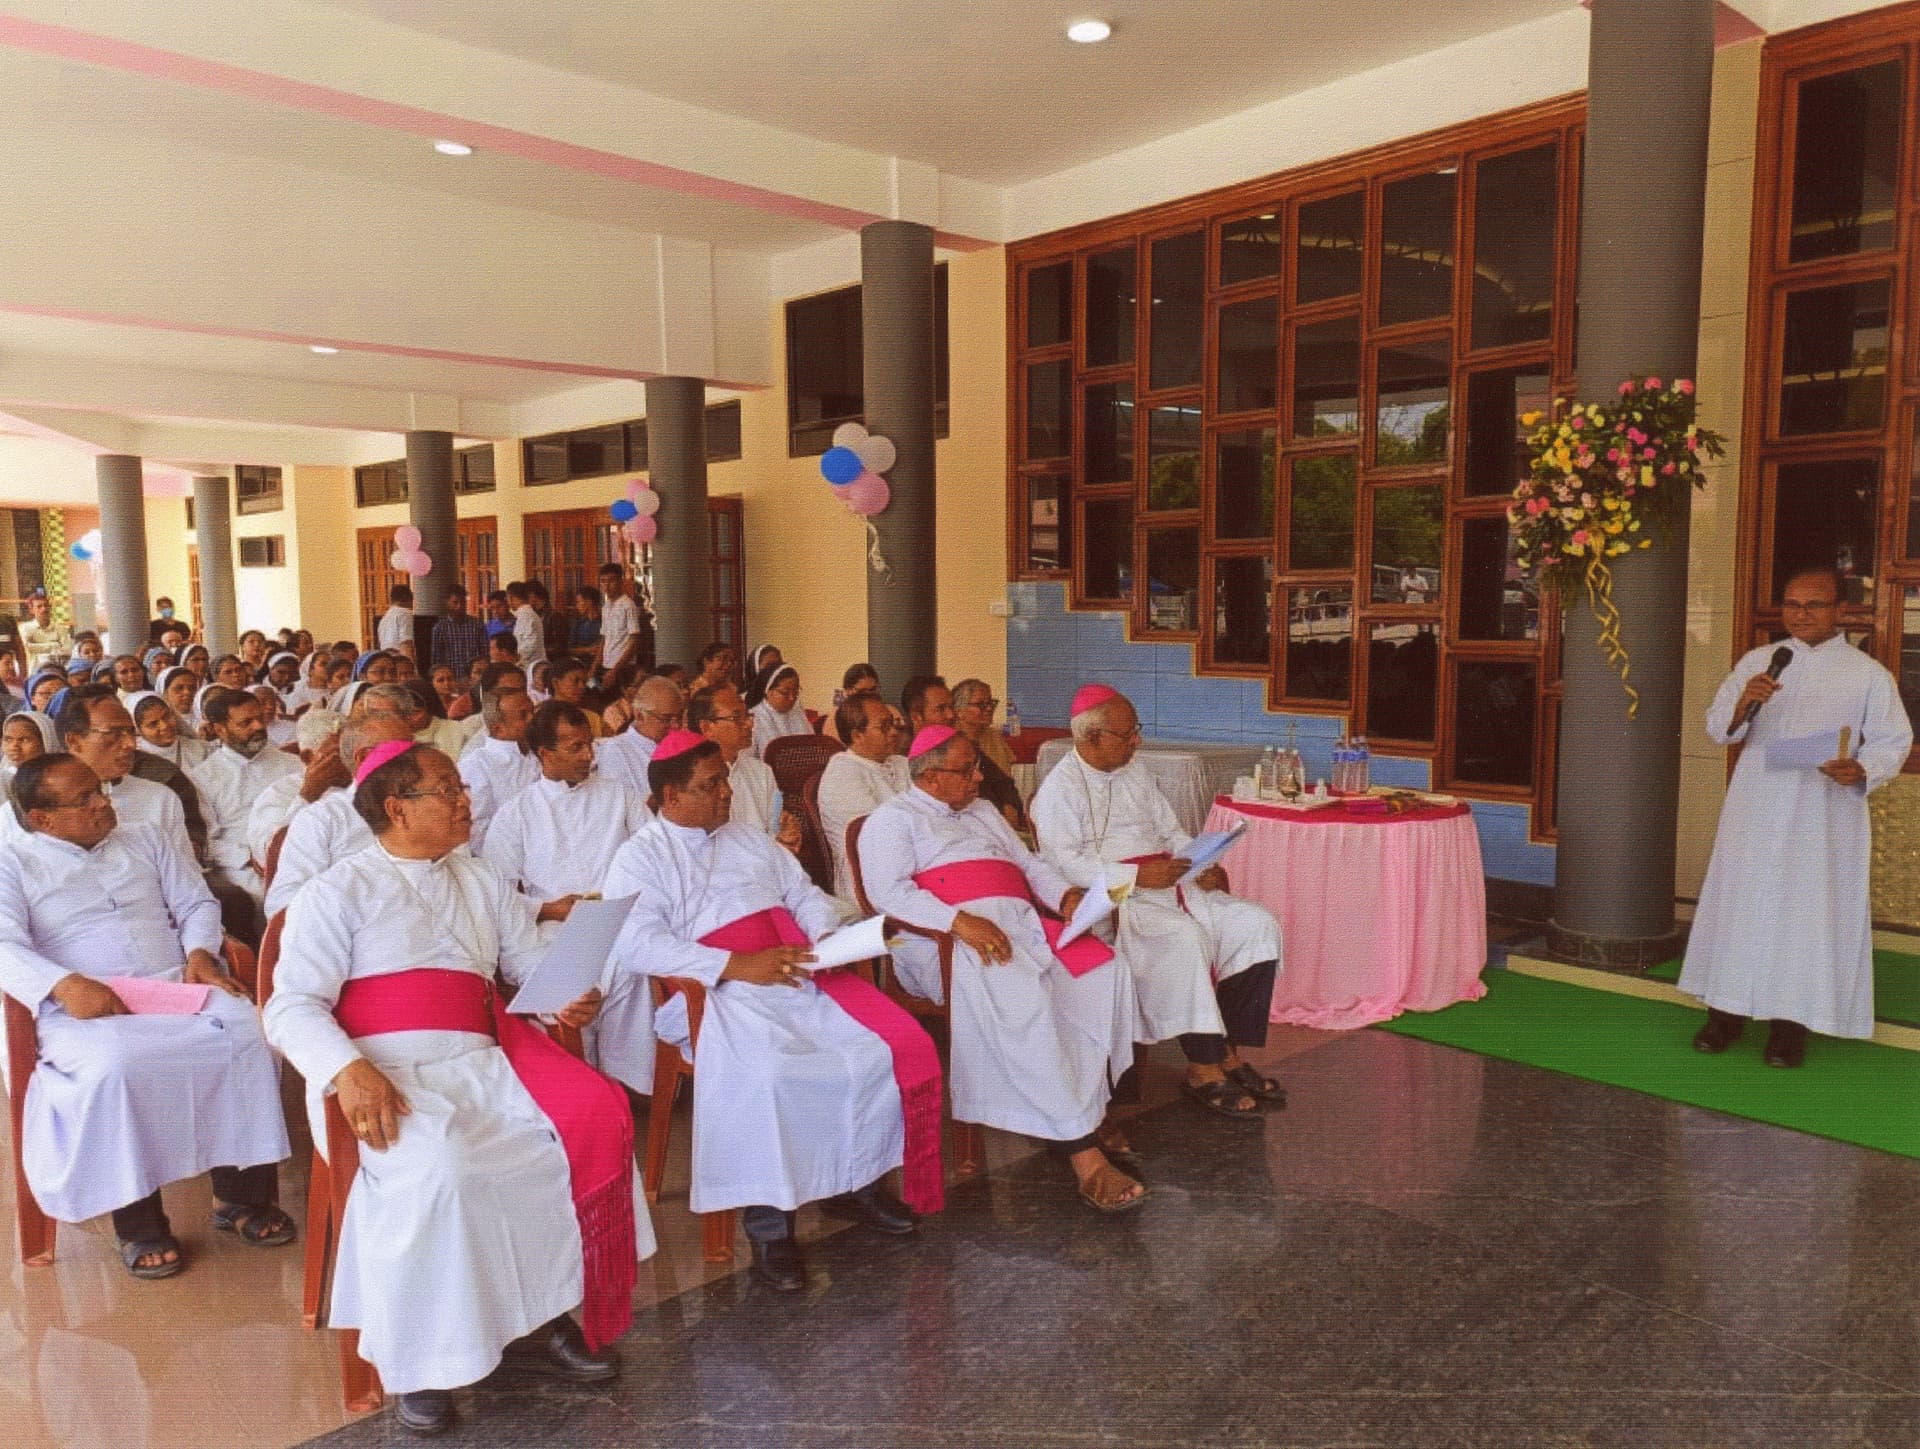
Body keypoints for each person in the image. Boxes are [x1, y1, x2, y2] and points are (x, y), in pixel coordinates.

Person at [263, 742, 649, 1436]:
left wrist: (565, 996)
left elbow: (526, 963)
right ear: (397, 808)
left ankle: (544, 1315)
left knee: (558, 1142)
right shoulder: (335, 890)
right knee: (443, 1170)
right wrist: (348, 1070)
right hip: (385, 1074)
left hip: (483, 1064)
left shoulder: (480, 878)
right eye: (448, 789)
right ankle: (424, 1363)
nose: (466, 800)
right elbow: (289, 1005)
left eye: (462, 787)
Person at [604, 732, 940, 1290]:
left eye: (725, 779)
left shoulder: (748, 838)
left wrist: (826, 935)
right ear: (671, 797)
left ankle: (855, 1187)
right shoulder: (640, 856)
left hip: (797, 973)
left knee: (871, 1052)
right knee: (771, 1075)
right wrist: (735, 965)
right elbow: (636, 943)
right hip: (724, 992)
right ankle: (769, 1228)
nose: (726, 792)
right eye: (711, 785)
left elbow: (803, 894)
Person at [0, 755, 292, 1280]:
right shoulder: (11, 860)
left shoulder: (146, 836)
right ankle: (140, 1225)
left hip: (174, 984)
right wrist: (62, 984)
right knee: (117, 1068)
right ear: (42, 818)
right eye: (85, 799)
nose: (103, 803)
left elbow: (197, 903)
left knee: (249, 1036)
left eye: (100, 790)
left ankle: (240, 1197)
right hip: (84, 1005)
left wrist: (201, 952)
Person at [858, 727, 1145, 1213]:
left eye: (977, 768)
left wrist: (1064, 897)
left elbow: (1029, 866)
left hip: (1023, 925)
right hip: (947, 942)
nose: (978, 777)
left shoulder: (984, 811)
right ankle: (1084, 1155)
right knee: (1022, 995)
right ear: (930, 777)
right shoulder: (892, 819)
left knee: (1103, 972)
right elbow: (888, 893)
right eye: (966, 770)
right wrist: (958, 921)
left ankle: (1086, 1108)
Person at [1680, 566, 1913, 1068]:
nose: (1800, 614)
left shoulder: (1867, 674)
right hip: (1756, 806)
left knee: (1806, 914)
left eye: (1813, 605)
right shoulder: (1759, 662)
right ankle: (1725, 1014)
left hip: (1821, 812)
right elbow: (1719, 730)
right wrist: (1744, 703)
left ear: (1840, 610)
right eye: (1791, 604)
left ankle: (1790, 1026)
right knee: (1743, 905)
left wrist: (1862, 769)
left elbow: (1893, 740)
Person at [1030, 685, 1284, 1118]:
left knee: (1257, 924)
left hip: (1172, 883)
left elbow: (1170, 832)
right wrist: (1135, 877)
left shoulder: (1135, 771)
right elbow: (1063, 864)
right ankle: (1202, 1067)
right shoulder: (1058, 791)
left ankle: (1227, 1052)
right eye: (1126, 734)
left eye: (1137, 730)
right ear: (1091, 737)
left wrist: (1200, 862)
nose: (1137, 741)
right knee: (1181, 937)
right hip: (1121, 900)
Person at [481, 701, 653, 1091]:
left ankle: (625, 1083)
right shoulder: (517, 812)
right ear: (545, 754)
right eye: (575, 747)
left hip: (616, 920)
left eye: (590, 744)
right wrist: (549, 908)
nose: (589, 755)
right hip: (549, 929)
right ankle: (583, 1084)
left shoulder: (620, 796)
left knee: (630, 966)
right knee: (570, 984)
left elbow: (652, 856)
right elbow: (497, 895)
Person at [262, 705, 416, 917]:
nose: (417, 760)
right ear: (363, 758)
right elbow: (283, 905)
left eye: (415, 748)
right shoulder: (321, 817)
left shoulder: (431, 802)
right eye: (402, 751)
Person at [187, 689, 303, 929]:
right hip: (242, 865)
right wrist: (250, 858)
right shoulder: (203, 777)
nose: (258, 726)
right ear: (220, 730)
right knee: (265, 901)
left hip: (298, 853)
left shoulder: (292, 764)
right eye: (246, 722)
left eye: (259, 718)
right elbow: (207, 842)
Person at [56, 686, 198, 865]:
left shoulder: (160, 797)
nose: (130, 744)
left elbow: (184, 874)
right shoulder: (40, 802)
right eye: (114, 734)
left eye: (131, 732)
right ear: (74, 741)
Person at [818, 694, 910, 902]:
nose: (894, 732)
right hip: (871, 879)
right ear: (857, 735)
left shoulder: (900, 763)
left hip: (911, 863)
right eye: (884, 727)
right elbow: (879, 837)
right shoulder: (843, 772)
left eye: (893, 724)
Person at [245, 708, 349, 870]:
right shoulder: (280, 794)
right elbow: (271, 855)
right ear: (308, 757)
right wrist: (308, 795)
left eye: (353, 750)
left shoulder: (368, 785)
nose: (353, 759)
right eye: (340, 753)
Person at [456, 684, 539, 852]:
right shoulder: (477, 765)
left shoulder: (540, 753)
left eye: (532, 711)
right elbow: (476, 830)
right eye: (523, 715)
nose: (533, 720)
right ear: (498, 729)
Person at [688, 682, 777, 834]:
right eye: (737, 718)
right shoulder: (690, 780)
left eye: (747, 716)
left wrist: (785, 835)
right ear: (707, 728)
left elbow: (777, 825)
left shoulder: (762, 771)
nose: (749, 724)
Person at [951, 677, 1027, 833]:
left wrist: (1010, 805)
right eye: (980, 705)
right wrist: (1000, 812)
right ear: (959, 711)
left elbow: (1005, 782)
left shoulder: (994, 737)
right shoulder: (951, 743)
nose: (989, 709)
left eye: (991, 703)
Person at [595, 674, 683, 797]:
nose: (676, 725)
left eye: (679, 717)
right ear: (639, 715)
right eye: (666, 719)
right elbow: (617, 802)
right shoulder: (616, 750)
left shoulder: (684, 744)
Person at [132, 691, 211, 772]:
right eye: (153, 724)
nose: (164, 726)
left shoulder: (200, 749)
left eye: (166, 716)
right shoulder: (134, 761)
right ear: (139, 730)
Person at [430, 584, 490, 686]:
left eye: (463, 602)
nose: (459, 606)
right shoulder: (440, 628)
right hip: (451, 681)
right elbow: (437, 660)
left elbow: (485, 654)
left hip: (474, 680)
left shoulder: (477, 625)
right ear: (447, 602)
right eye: (455, 602)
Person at [748, 662, 810, 756]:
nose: (792, 698)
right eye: (785, 693)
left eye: (795, 692)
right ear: (767, 691)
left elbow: (811, 744)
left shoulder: (797, 709)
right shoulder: (754, 718)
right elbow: (747, 759)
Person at [597, 564, 643, 684]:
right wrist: (595, 666)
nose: (607, 586)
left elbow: (634, 641)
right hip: (606, 665)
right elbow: (604, 638)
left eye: (611, 581)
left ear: (620, 581)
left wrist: (615, 670)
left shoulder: (628, 605)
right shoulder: (606, 606)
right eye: (603, 581)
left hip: (624, 667)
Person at [547, 657, 606, 737]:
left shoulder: (593, 718)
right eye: (576, 681)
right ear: (556, 683)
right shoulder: (541, 717)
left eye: (584, 682)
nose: (582, 687)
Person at [21, 590, 71, 672]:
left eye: (46, 605)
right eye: (39, 606)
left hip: (57, 672)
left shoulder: (61, 628)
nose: (44, 609)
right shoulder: (25, 628)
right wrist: (54, 645)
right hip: (34, 672)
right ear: (31, 610)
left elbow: (67, 651)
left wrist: (36, 647)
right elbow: (25, 648)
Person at [1, 709, 55, 785]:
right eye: (8, 739)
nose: (14, 746)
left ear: (46, 741)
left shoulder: (59, 780)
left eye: (24, 740)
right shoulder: (4, 778)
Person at [507, 581, 547, 669]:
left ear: (511, 598)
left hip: (531, 666)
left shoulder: (527, 616)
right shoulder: (524, 615)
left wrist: (515, 658)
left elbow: (530, 644)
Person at [377, 584, 414, 656]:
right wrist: (409, 662)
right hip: (399, 659)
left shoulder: (384, 619)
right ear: (408, 598)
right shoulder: (405, 614)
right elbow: (406, 644)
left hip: (387, 658)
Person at [570, 585, 603, 661]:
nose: (577, 606)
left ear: (589, 602)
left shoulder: (605, 623)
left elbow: (600, 649)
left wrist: (581, 650)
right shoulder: (578, 624)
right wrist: (588, 650)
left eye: (579, 602)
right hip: (578, 662)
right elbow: (570, 650)